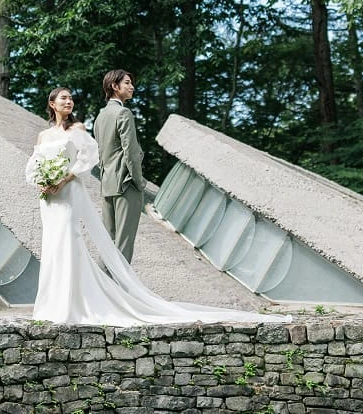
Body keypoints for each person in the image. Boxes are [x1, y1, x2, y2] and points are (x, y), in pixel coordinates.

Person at [25, 86, 291, 327]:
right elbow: (34, 164)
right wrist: (42, 183)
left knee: (69, 242)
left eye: (71, 98)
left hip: (68, 191)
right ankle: (51, 303)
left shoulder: (78, 129)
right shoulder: (43, 135)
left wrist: (63, 179)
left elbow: (89, 158)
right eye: (64, 98)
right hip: (49, 197)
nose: (69, 101)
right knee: (51, 244)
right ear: (52, 103)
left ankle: (73, 303)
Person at [93, 69, 145, 262]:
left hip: (107, 185)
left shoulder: (100, 117)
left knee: (108, 242)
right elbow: (130, 152)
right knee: (124, 244)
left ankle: (102, 287)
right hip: (125, 183)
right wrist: (139, 182)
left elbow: (101, 153)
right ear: (114, 86)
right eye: (127, 83)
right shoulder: (123, 112)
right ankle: (118, 290)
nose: (132, 87)